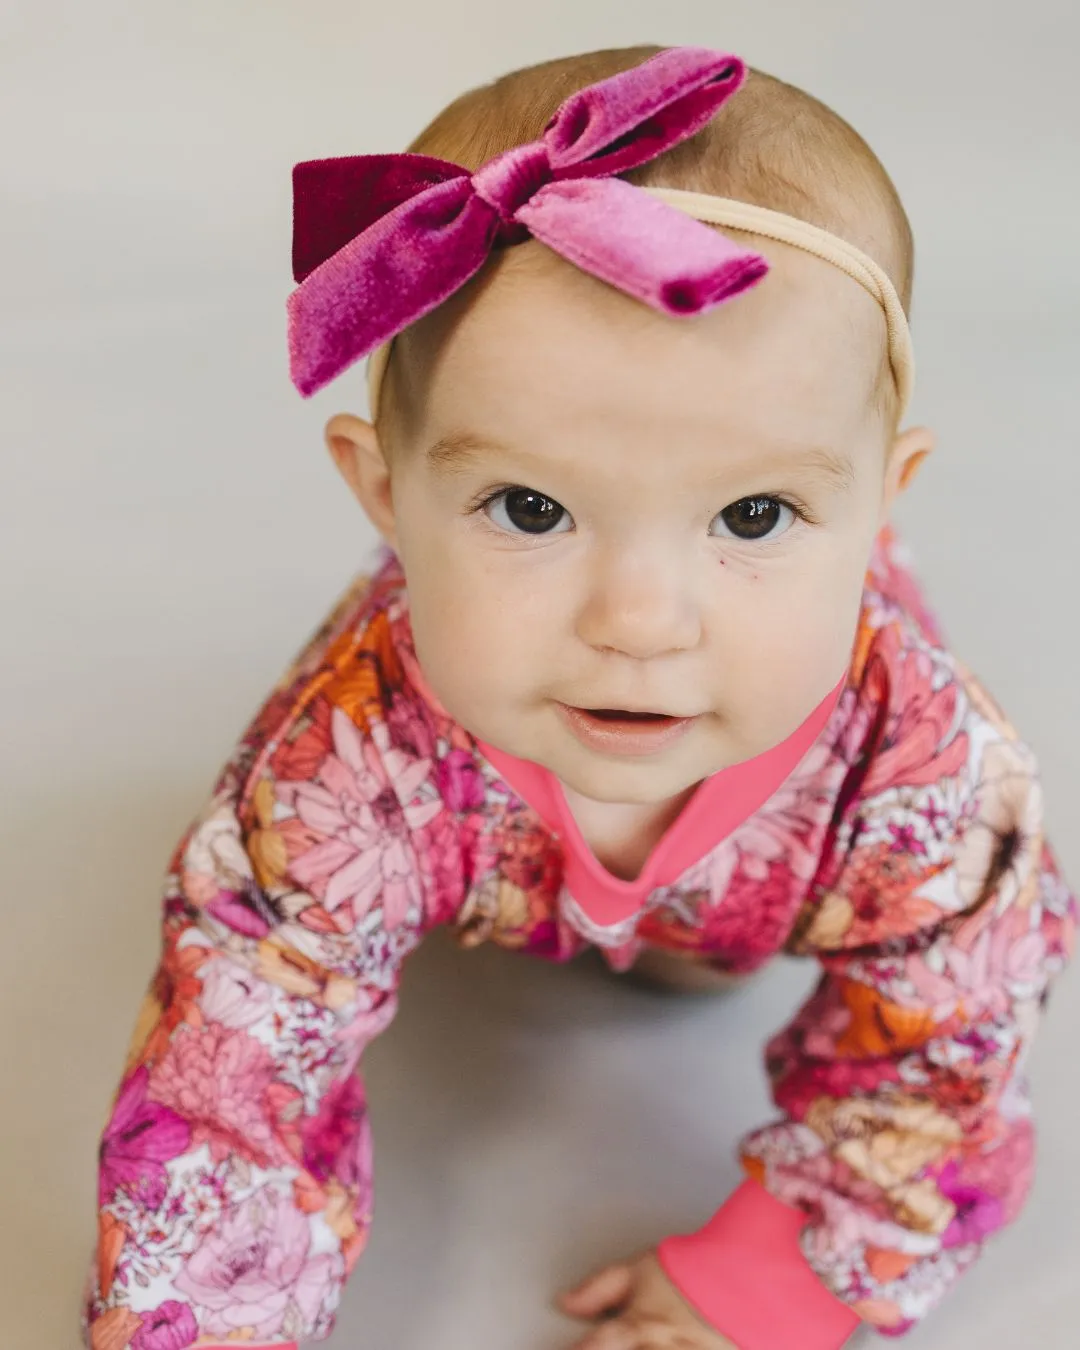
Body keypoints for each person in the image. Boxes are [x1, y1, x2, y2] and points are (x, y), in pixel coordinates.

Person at [81, 44, 1076, 1350]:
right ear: (384, 495)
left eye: (757, 512)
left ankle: (689, 912)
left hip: (799, 832)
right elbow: (227, 1081)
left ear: (886, 497)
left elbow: (947, 1051)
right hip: (453, 811)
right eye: (532, 508)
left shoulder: (922, 773)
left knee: (815, 954)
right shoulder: (349, 755)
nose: (640, 621)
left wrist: (780, 1272)